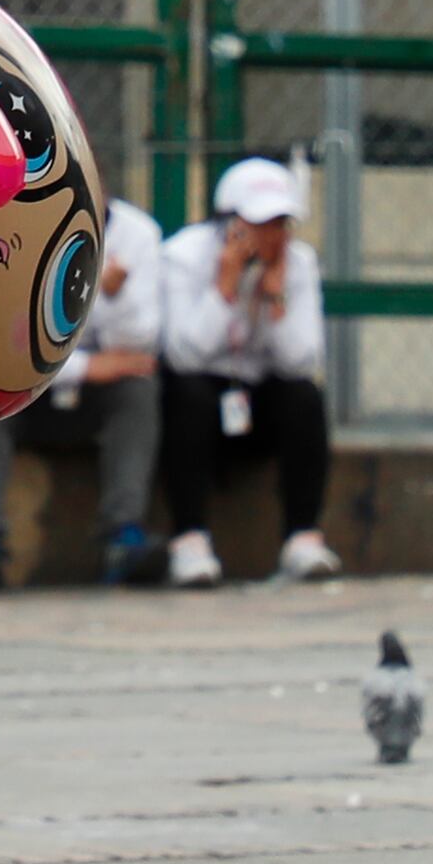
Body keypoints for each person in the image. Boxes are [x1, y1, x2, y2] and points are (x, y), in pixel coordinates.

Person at [0, 196, 171, 590]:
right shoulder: (13, 230)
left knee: (138, 390)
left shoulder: (138, 234)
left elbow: (140, 345)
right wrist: (87, 366)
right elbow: (0, 341)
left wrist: (113, 296)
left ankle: (122, 536)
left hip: (91, 396)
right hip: (27, 389)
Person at [157, 156, 338, 587]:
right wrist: (226, 288)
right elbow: (184, 355)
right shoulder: (183, 255)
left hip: (260, 395)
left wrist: (275, 299)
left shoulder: (300, 263)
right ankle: (190, 541)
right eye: (259, 224)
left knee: (305, 398)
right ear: (230, 225)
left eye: (279, 224)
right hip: (204, 395)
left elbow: (301, 361)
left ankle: (302, 538)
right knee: (187, 393)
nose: (271, 236)